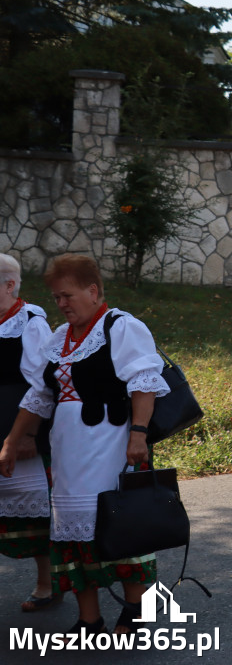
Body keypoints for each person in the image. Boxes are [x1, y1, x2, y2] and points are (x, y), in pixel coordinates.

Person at [0, 254, 169, 634]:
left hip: (110, 444)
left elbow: (143, 381)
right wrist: (12, 442)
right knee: (70, 526)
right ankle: (88, 618)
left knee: (118, 522)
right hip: (68, 449)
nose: (61, 304)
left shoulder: (120, 326)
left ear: (92, 291)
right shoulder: (60, 338)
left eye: (67, 296)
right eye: (56, 297)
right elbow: (40, 397)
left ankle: (135, 609)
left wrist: (138, 435)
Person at [0, 254, 55, 613]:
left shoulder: (31, 323)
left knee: (36, 515)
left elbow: (43, 385)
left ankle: (47, 583)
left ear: (9, 285)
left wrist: (28, 436)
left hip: (16, 428)